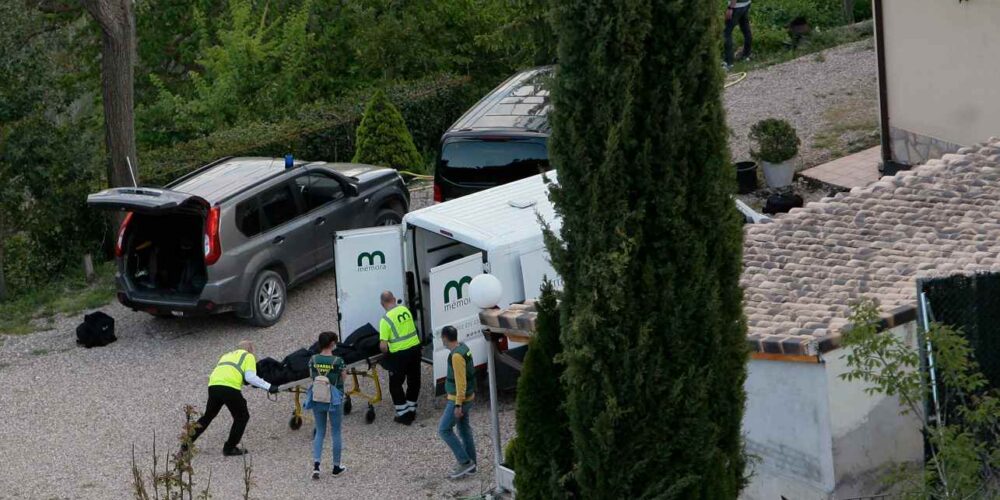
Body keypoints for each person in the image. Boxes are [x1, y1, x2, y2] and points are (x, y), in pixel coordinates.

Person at [190, 340, 278, 456]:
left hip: (213, 385)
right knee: (242, 416)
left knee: (208, 416)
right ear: (250, 349)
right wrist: (269, 387)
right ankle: (229, 447)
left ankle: (186, 443)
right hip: (229, 387)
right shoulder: (248, 356)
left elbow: (233, 371)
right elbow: (250, 377)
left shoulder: (226, 356)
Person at [305, 331, 347, 479]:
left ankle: (316, 466)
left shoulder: (313, 359)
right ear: (332, 344)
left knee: (320, 431)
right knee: (336, 432)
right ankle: (336, 467)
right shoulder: (338, 361)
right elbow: (343, 377)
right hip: (334, 398)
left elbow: (312, 376)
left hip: (317, 397)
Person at [438, 325, 477, 479]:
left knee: (444, 430)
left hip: (459, 399)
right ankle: (472, 466)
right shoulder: (464, 347)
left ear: (445, 338)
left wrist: (458, 404)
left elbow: (461, 383)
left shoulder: (456, 356)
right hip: (468, 397)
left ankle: (465, 461)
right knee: (464, 430)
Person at [378, 290, 422, 425]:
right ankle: (411, 408)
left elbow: (384, 346)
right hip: (415, 349)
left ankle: (404, 414)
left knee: (395, 384)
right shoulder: (404, 309)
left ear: (382, 303)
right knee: (414, 380)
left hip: (399, 355)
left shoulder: (385, 320)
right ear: (394, 299)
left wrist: (383, 354)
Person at [723, 0, 752, 71]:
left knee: (727, 33)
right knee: (746, 29)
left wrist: (730, 8)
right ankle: (746, 55)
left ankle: (728, 63)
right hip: (746, 3)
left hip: (736, 6)